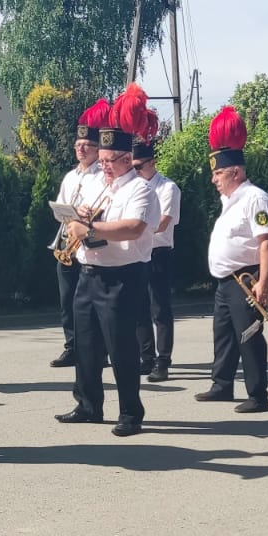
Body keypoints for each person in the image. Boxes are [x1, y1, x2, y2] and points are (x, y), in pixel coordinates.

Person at [55, 85, 159, 437]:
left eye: (109, 162)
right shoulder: (102, 186)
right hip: (89, 272)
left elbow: (132, 228)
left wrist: (89, 226)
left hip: (122, 276)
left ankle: (131, 412)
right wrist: (76, 220)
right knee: (86, 344)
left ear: (126, 160)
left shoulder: (140, 189)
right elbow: (75, 222)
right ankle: (88, 404)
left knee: (121, 348)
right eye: (101, 162)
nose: (104, 168)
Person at [198, 104, 268, 412]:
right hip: (225, 281)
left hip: (246, 278)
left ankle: (258, 395)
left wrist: (264, 284)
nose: (214, 179)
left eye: (218, 173)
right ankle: (222, 385)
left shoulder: (255, 198)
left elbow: (267, 241)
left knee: (249, 336)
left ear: (235, 171)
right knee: (224, 335)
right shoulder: (230, 200)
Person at [50, 104, 109, 367]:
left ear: (97, 149)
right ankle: (72, 346)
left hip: (88, 243)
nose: (81, 148)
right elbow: (59, 210)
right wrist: (67, 214)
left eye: (87, 144)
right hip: (66, 243)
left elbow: (104, 206)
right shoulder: (70, 177)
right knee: (67, 300)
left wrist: (82, 215)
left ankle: (98, 349)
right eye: (78, 143)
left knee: (91, 301)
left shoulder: (102, 176)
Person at [132, 114, 181, 382]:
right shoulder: (132, 188)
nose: (136, 171)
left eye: (139, 166)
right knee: (139, 307)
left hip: (159, 252)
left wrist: (133, 228)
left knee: (160, 308)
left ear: (152, 162)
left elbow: (162, 224)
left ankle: (163, 360)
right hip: (137, 252)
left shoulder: (168, 188)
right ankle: (146, 356)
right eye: (133, 166)